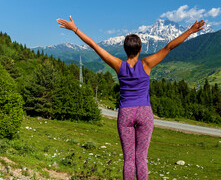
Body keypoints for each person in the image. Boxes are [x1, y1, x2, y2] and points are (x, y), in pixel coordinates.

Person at [56, 16, 205, 180]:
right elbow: (169, 46)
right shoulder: (147, 63)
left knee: (128, 159)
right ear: (140, 49)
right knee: (141, 158)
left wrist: (75, 29)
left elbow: (94, 45)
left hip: (125, 113)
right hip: (144, 113)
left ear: (125, 50)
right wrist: (191, 30)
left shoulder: (118, 65)